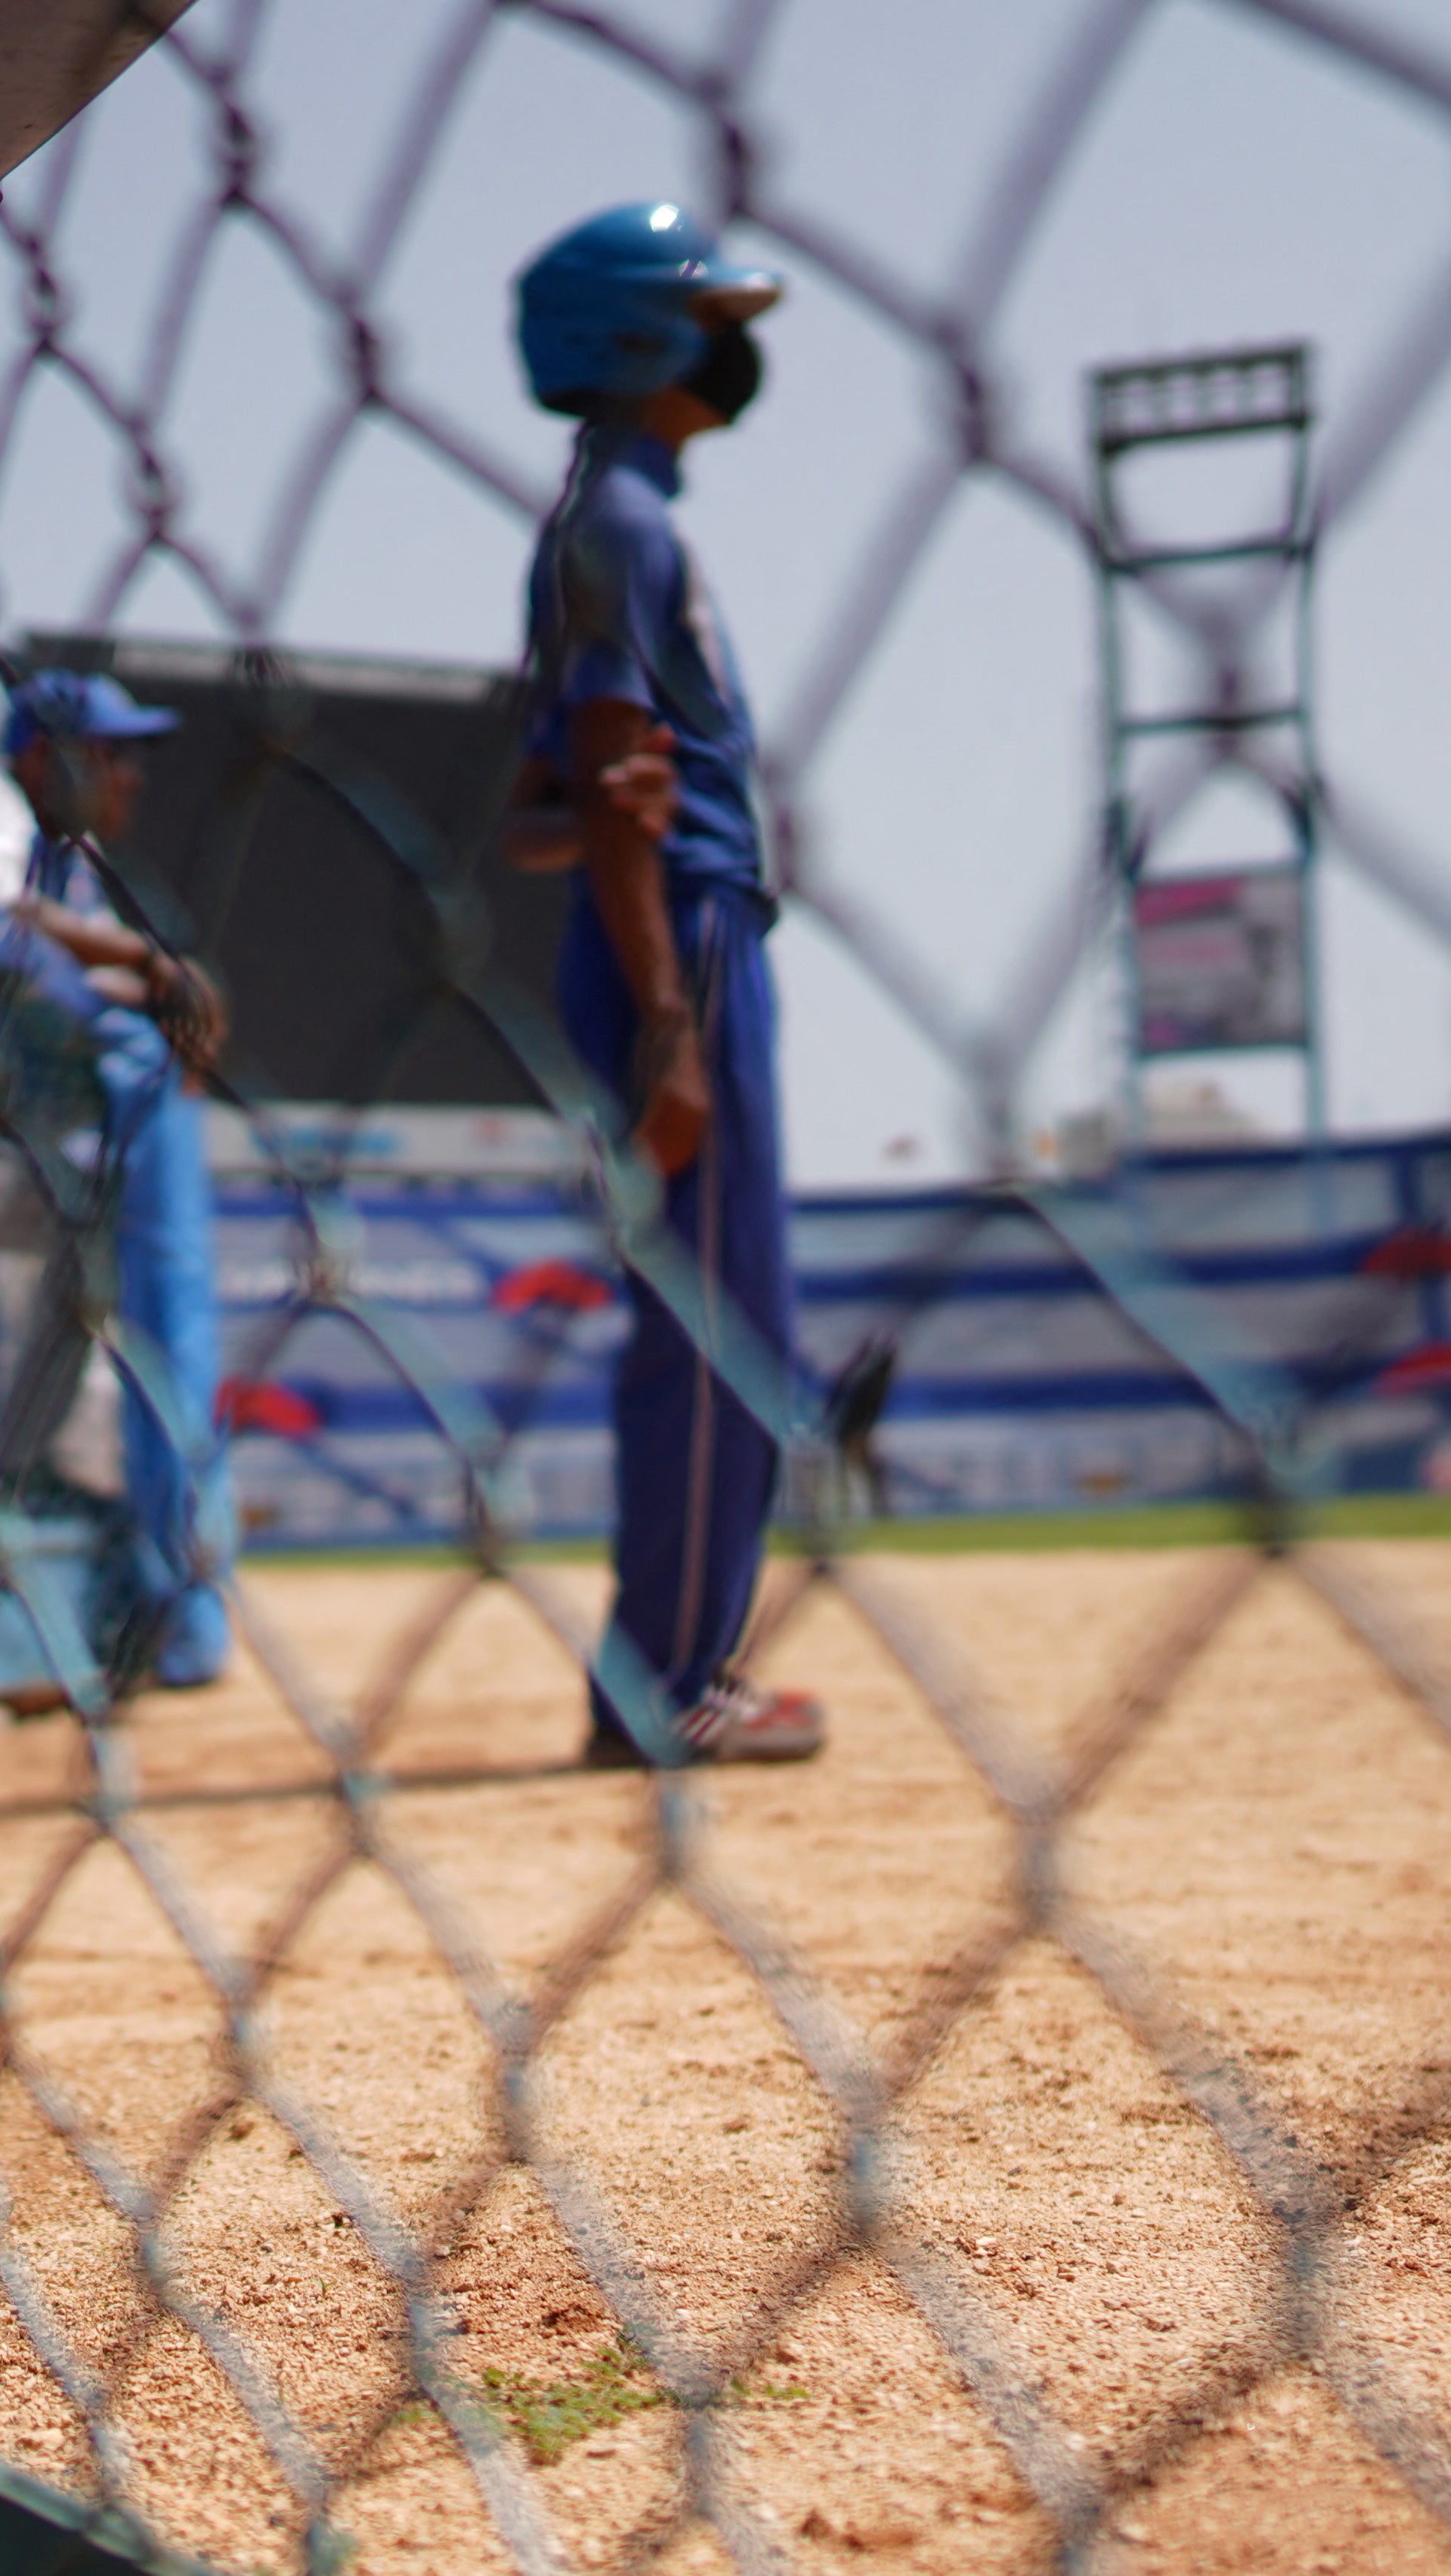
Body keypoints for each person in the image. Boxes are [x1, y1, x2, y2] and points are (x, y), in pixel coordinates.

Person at [513, 202, 824, 1768]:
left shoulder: (607, 519)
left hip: (672, 928)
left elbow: (538, 815)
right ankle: (670, 1680)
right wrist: (668, 1024)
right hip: (680, 941)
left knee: (722, 1316)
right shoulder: (619, 525)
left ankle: (678, 1663)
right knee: (717, 1325)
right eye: (710, 315)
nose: (734, 343)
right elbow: (602, 774)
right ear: (639, 340)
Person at [0, 666, 237, 1691]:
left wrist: (149, 976)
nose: (131, 778)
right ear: (43, 756)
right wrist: (146, 966)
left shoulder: (70, 864)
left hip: (21, 1169)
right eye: (110, 754)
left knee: (60, 1391)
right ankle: (3, 1632)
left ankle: (53, 1625)